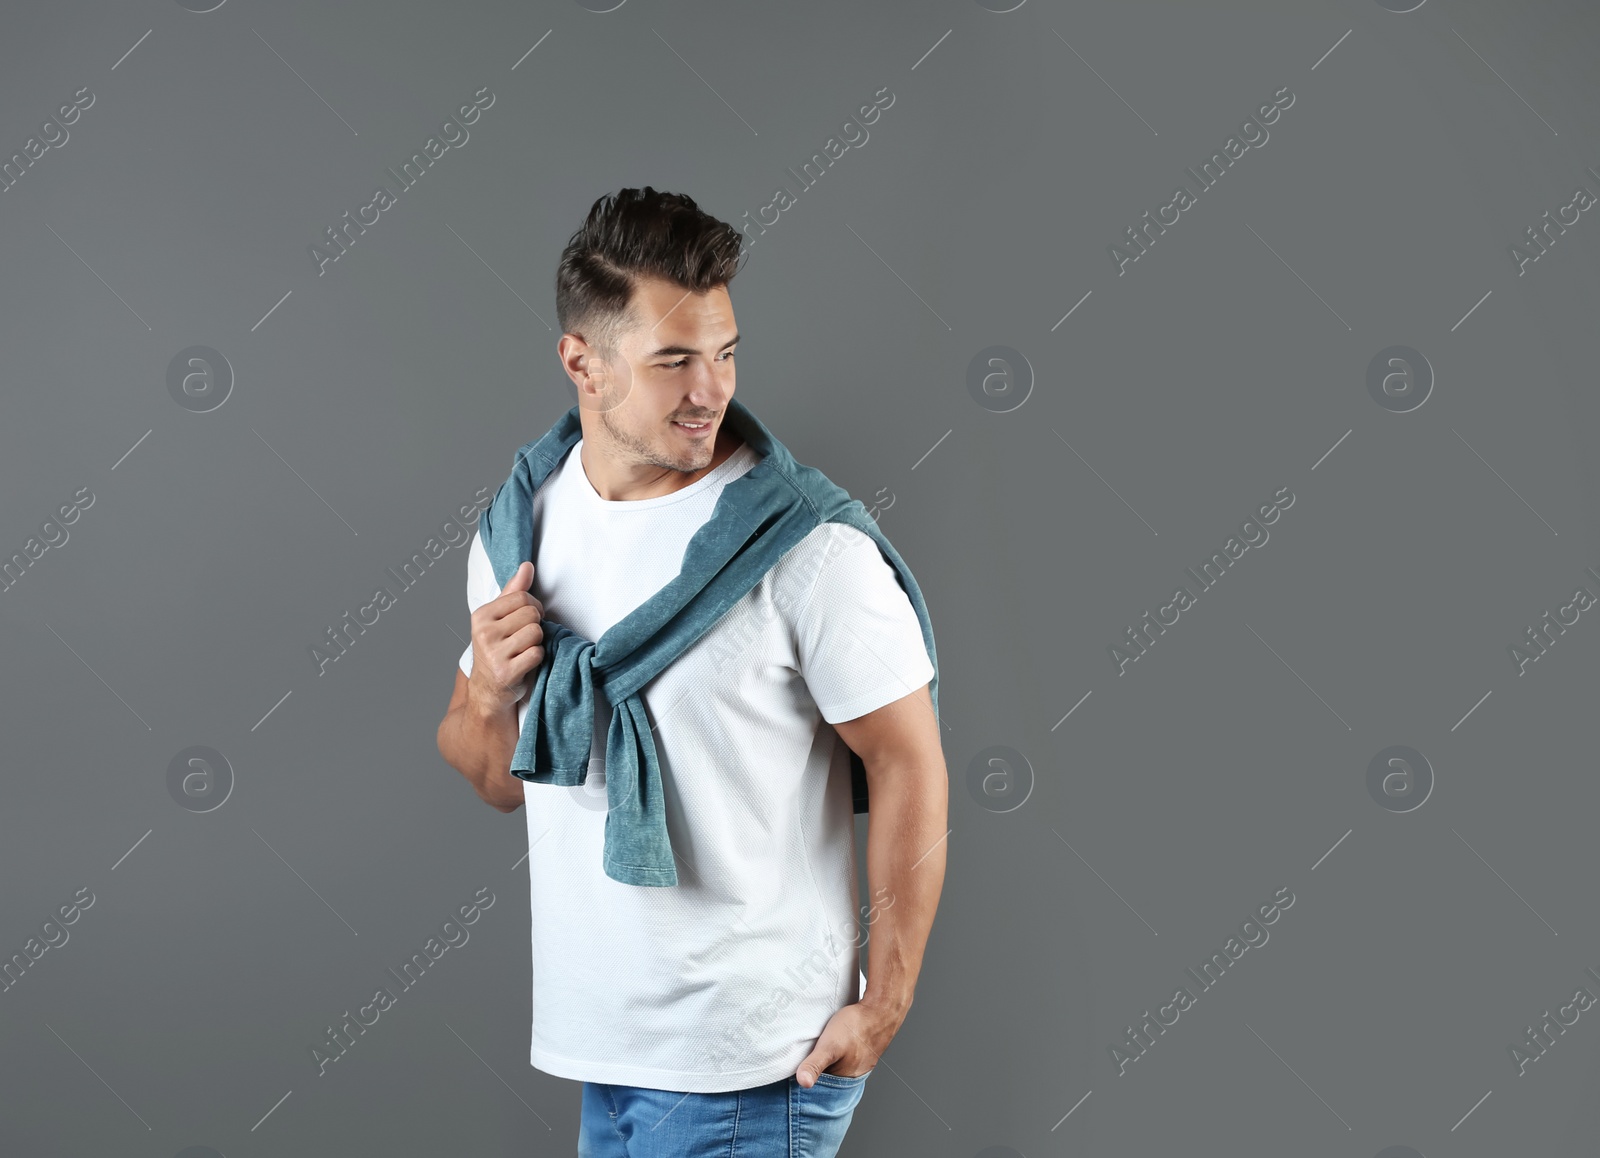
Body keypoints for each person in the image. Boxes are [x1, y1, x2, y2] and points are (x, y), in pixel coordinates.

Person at [435, 186, 947, 1157]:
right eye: (674, 360)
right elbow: (499, 778)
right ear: (581, 362)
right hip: (608, 1054)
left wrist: (884, 1003)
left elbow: (908, 760)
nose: (709, 388)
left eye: (725, 353)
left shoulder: (802, 547)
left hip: (753, 1065)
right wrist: (495, 696)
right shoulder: (519, 530)